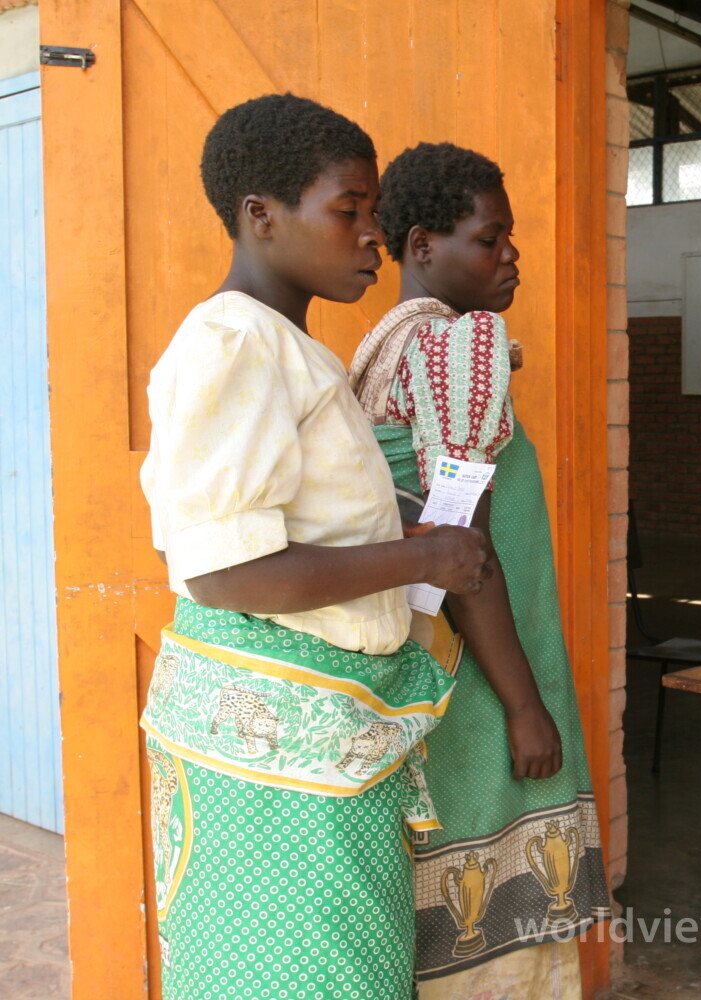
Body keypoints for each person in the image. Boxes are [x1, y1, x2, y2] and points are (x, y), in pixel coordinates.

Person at [139, 95, 492, 999]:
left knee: (333, 968)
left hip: (313, 742)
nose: (374, 235)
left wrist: (403, 536)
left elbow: (300, 532)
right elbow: (224, 571)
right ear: (262, 216)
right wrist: (421, 561)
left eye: (374, 214)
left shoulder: (286, 348)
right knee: (310, 975)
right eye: (350, 210)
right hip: (274, 755)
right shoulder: (231, 343)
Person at [349, 141, 610, 999]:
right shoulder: (460, 349)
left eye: (510, 238)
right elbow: (465, 556)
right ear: (422, 245)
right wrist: (527, 707)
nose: (512, 256)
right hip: (482, 675)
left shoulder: (385, 345)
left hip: (424, 663)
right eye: (489, 239)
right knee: (496, 870)